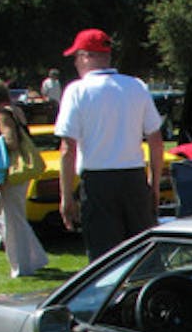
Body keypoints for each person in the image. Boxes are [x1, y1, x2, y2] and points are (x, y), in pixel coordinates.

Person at [54, 28, 164, 262]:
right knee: (144, 256)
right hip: (134, 178)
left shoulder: (77, 91)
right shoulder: (136, 86)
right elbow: (155, 140)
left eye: (76, 57)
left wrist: (65, 196)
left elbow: (67, 147)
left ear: (86, 56)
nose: (75, 63)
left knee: (104, 259)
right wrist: (153, 186)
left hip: (98, 182)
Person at [0, 77, 49, 278]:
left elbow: (11, 142)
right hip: (21, 173)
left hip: (12, 172)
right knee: (17, 216)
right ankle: (36, 257)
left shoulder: (3, 115)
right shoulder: (15, 110)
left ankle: (21, 265)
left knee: (12, 220)